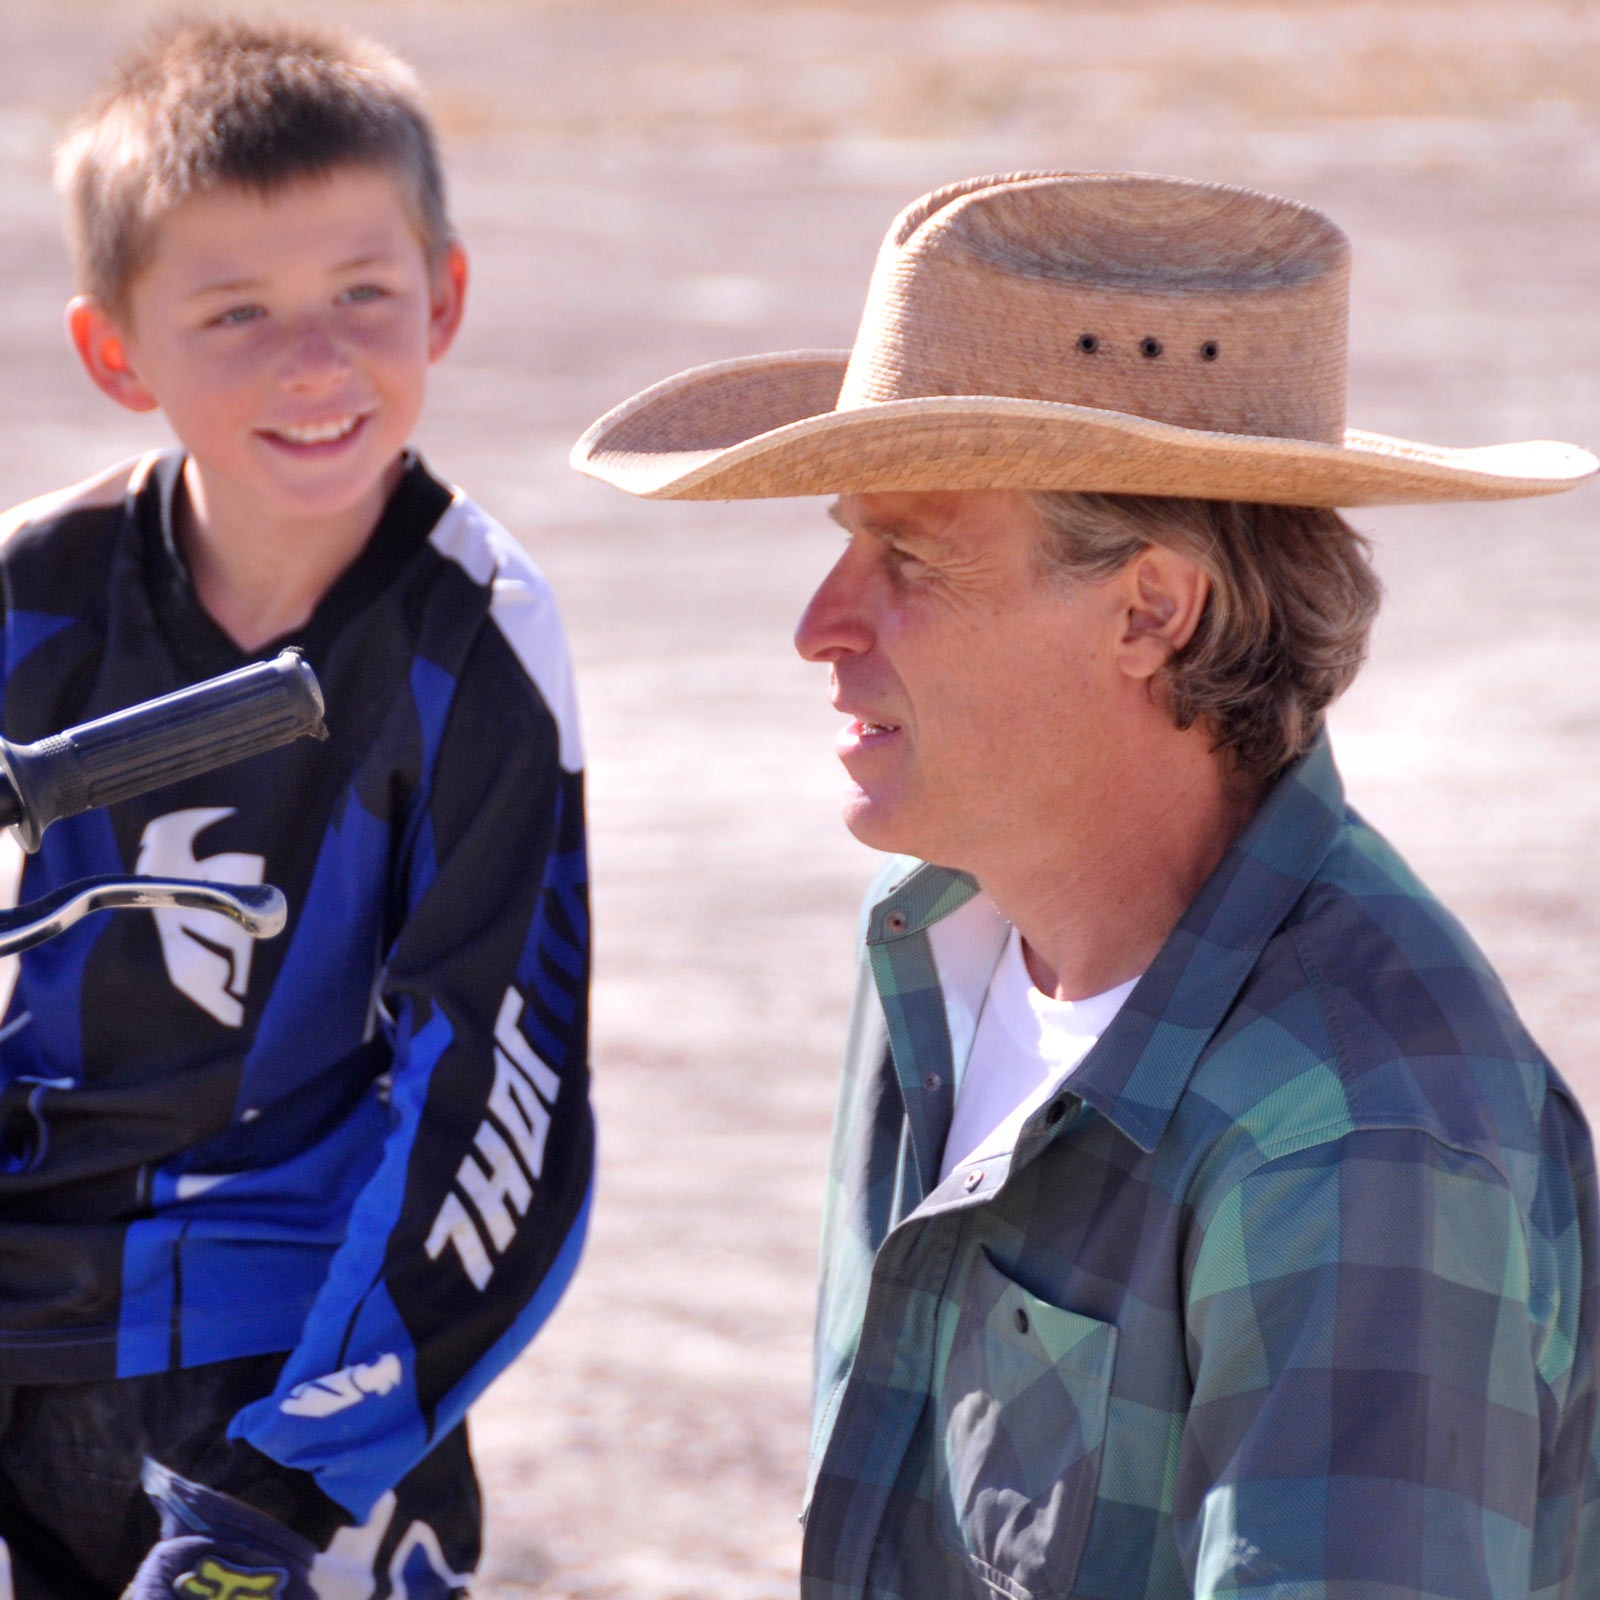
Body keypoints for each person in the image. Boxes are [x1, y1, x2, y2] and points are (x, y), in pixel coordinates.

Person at [573, 173, 1600, 1598]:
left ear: (1150, 610)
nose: (820, 626)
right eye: (843, 546)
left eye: (911, 556)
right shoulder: (949, 940)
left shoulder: (1363, 1135)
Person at [0, 19, 592, 1598]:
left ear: (444, 301)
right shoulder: (26, 602)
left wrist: (276, 1490)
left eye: (360, 297)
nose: (314, 361)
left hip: (292, 1392)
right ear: (117, 351)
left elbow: (502, 1092)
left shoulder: (480, 635)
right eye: (235, 312)